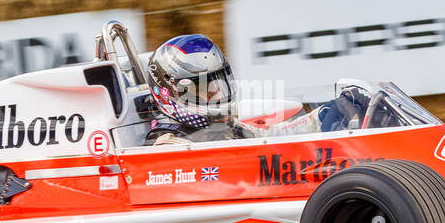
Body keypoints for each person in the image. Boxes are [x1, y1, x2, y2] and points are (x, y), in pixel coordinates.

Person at [143, 34, 369, 145]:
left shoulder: (220, 127)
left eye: (217, 82)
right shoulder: (168, 144)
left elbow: (269, 138)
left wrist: (324, 116)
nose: (216, 93)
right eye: (203, 87)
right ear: (171, 92)